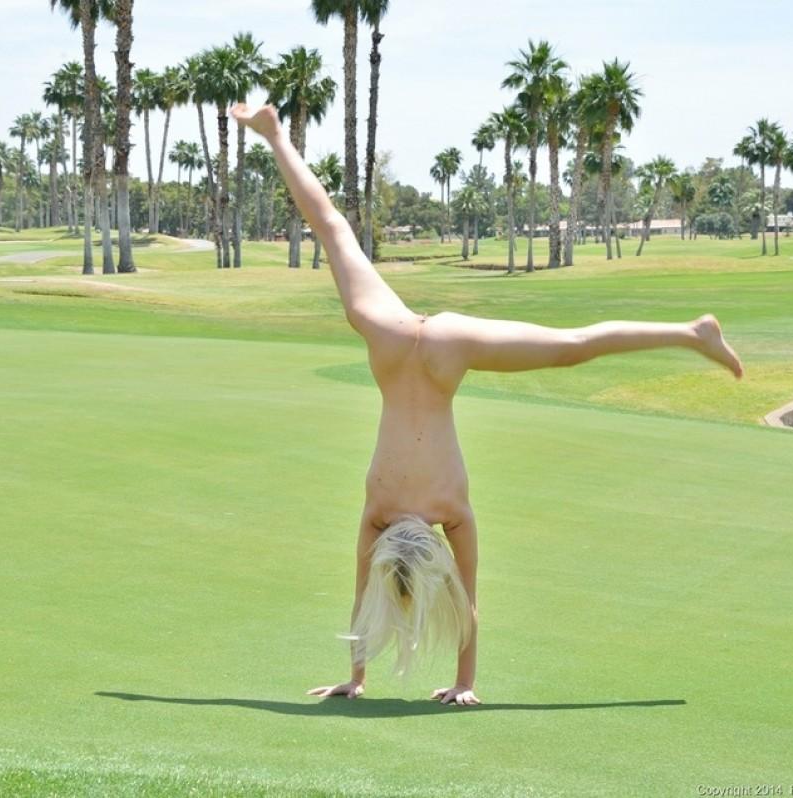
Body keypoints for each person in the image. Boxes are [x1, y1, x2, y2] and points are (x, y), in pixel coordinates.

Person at [230, 103, 744, 707]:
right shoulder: (379, 513)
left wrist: (440, 682)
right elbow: (372, 596)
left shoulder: (449, 513)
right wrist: (376, 677)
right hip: (397, 339)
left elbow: (462, 602)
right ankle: (275, 134)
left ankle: (691, 332)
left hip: (439, 351)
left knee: (568, 346)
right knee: (335, 229)